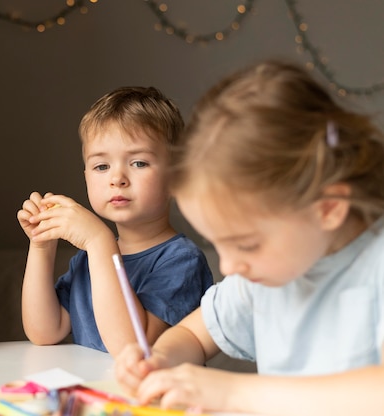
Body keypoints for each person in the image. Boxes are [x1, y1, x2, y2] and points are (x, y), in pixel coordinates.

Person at [115, 60, 384, 415]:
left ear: (328, 208)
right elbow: (194, 335)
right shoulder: (261, 276)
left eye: (245, 244)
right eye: (218, 242)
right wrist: (160, 360)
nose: (228, 265)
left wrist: (234, 393)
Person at [17, 86, 214, 355]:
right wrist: (41, 247)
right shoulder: (89, 259)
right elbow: (44, 331)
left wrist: (99, 242)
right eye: (101, 166)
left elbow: (131, 347)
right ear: (86, 175)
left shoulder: (181, 261)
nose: (117, 178)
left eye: (139, 163)